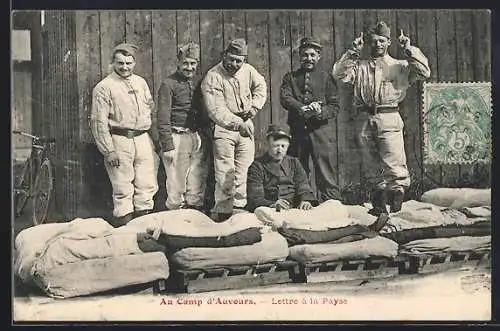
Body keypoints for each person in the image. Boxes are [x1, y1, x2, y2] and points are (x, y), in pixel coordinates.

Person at [332, 21, 431, 216]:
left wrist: (408, 49)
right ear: (368, 43)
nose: (378, 44)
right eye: (374, 41)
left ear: (389, 42)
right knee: (370, 164)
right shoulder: (359, 67)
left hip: (388, 116)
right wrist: (353, 52)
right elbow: (338, 74)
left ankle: (396, 207)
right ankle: (378, 205)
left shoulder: (400, 66)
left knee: (394, 162)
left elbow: (424, 72)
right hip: (363, 118)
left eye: (382, 41)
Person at [90, 43, 159, 226]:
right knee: (122, 186)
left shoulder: (140, 82)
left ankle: (144, 230)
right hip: (120, 140)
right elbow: (98, 122)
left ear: (134, 62)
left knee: (147, 183)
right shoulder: (104, 87)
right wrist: (108, 150)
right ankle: (125, 230)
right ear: (113, 62)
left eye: (129, 63)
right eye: (120, 63)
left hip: (143, 138)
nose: (125, 67)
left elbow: (150, 109)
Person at [201, 38, 268, 222]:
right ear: (224, 56)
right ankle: (223, 212)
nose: (234, 64)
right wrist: (238, 124)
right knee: (225, 172)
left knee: (245, 169)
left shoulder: (248, 70)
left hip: (246, 123)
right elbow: (216, 110)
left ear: (244, 59)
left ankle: (239, 210)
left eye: (239, 60)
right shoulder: (213, 76)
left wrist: (254, 107)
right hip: (224, 128)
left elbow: (261, 87)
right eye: (231, 59)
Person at [280, 37, 341, 203]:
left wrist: (320, 111)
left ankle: (331, 203)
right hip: (298, 130)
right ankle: (302, 201)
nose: (309, 58)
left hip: (320, 131)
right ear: (300, 56)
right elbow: (285, 97)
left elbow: (334, 106)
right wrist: (301, 108)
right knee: (298, 167)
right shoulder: (290, 77)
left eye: (313, 55)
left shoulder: (326, 78)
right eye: (305, 55)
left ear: (319, 56)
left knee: (325, 168)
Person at [156, 42, 210, 212]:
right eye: (185, 63)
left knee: (196, 177)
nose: (189, 67)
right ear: (178, 63)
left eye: (193, 63)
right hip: (176, 136)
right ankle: (175, 217)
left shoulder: (198, 83)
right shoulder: (168, 84)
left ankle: (194, 215)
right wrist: (167, 144)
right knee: (176, 181)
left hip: (196, 136)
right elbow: (162, 116)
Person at [246, 124, 318, 212]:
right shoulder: (257, 166)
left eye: (283, 146)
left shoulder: (294, 163)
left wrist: (306, 201)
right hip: (269, 209)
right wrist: (272, 204)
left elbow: (303, 186)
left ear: (288, 146)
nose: (280, 150)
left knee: (331, 205)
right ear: (268, 144)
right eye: (276, 146)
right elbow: (255, 197)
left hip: (293, 208)